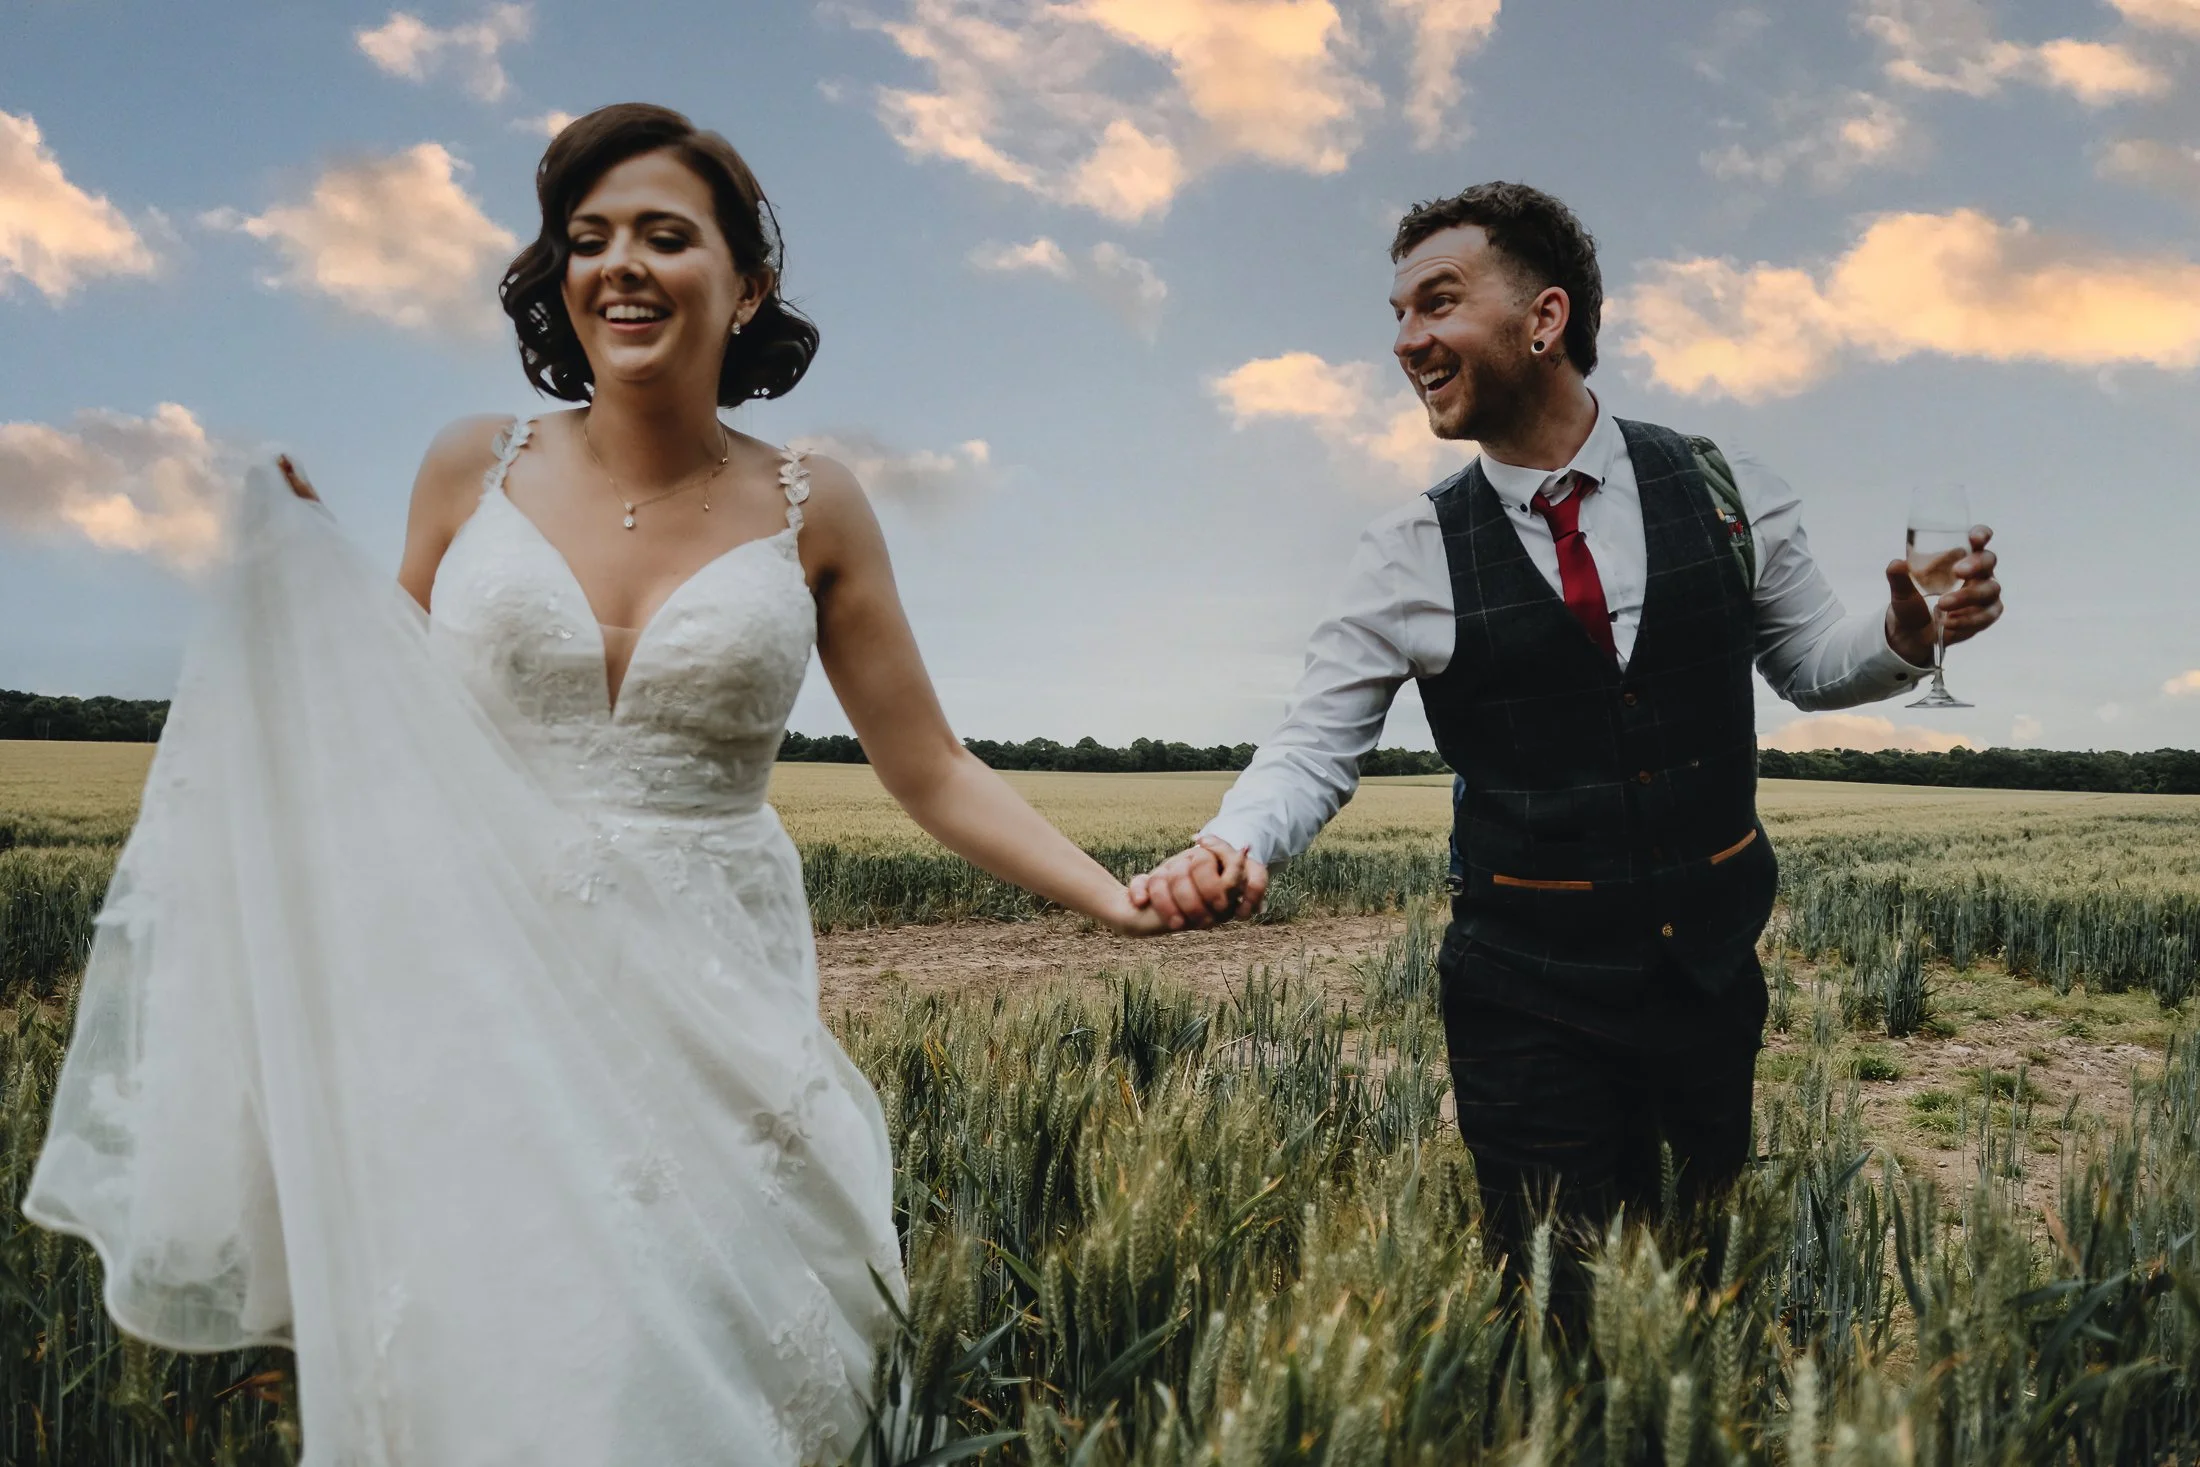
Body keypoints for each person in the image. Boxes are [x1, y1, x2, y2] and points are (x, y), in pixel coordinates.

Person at [27, 103, 1164, 1465]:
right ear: (559, 281)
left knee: (711, 1370)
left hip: (717, 998)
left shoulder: (820, 501)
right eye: (588, 239)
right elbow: (375, 714)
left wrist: (1113, 896)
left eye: (664, 236)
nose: (620, 263)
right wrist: (302, 564)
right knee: (512, 1354)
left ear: (745, 287)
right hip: (483, 993)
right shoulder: (469, 464)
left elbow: (927, 764)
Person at [1129, 182, 2003, 1292]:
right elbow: (1313, 745)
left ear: (1544, 319)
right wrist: (1232, 842)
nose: (1406, 341)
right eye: (1395, 316)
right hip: (1522, 988)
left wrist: (1899, 635)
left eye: (1435, 304)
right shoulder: (1404, 550)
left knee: (1692, 1274)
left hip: (1708, 975)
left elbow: (1807, 666)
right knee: (1563, 1300)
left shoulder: (1729, 490)